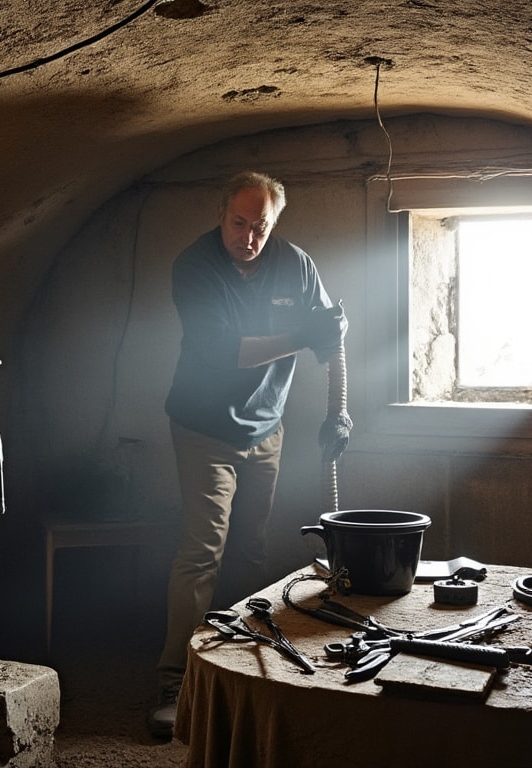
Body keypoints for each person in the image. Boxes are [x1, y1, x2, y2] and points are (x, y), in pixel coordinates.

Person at [148, 171, 347, 739]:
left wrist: (339, 408)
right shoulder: (195, 266)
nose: (250, 236)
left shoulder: (295, 263)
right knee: (203, 549)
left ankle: (234, 670)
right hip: (204, 427)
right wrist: (304, 336)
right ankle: (174, 680)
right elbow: (227, 352)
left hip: (266, 428)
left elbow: (330, 334)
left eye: (261, 226)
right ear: (221, 213)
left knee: (252, 552)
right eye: (240, 222)